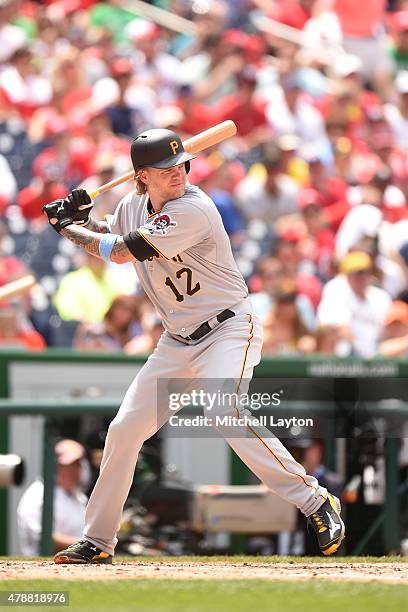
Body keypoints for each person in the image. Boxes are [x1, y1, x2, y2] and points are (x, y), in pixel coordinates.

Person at [42, 127, 345, 564]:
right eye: (166, 169)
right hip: (176, 340)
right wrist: (82, 219)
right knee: (125, 430)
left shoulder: (195, 208)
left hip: (228, 328)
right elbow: (112, 230)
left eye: (182, 163)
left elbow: (125, 250)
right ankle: (98, 540)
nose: (179, 172)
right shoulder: (131, 206)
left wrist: (69, 228)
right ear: (142, 176)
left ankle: (316, 502)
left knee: (224, 408)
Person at [17, 439, 88, 555]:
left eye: (78, 465)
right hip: (44, 568)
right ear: (55, 466)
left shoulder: (78, 496)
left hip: (77, 567)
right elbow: (45, 539)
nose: (75, 471)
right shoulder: (37, 494)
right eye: (69, 466)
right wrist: (91, 547)